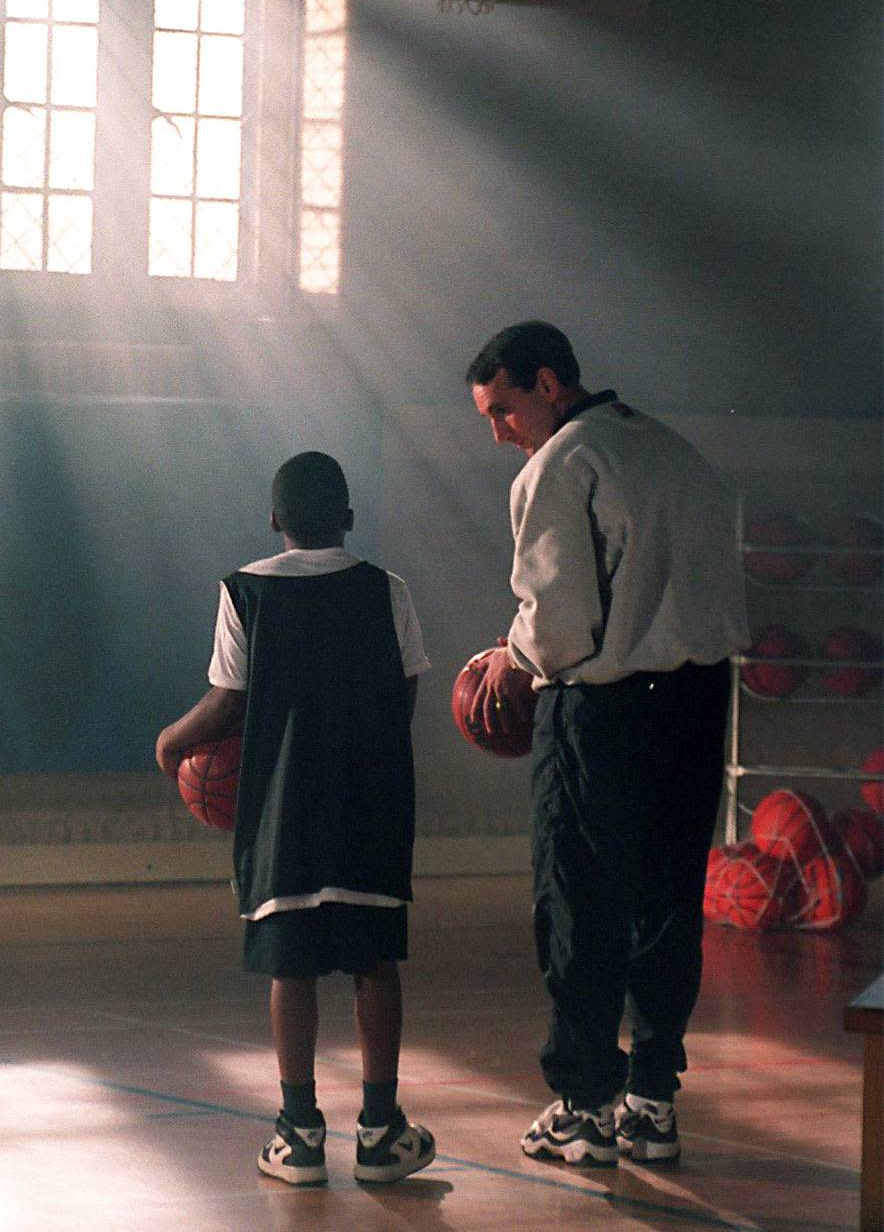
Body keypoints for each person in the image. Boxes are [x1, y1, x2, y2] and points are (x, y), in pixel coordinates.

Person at [465, 321, 747, 1167]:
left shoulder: (557, 464)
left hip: (602, 710)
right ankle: (652, 1100)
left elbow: (559, 623)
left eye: (503, 408)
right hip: (699, 697)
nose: (498, 431)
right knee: (667, 899)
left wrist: (507, 662)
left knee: (578, 901)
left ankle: (583, 1104)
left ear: (549, 383)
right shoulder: (674, 450)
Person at [155, 450, 435, 1188]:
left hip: (283, 808)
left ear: (274, 520)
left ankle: (299, 1134)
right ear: (347, 518)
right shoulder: (387, 588)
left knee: (292, 963)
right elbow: (405, 696)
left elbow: (229, 701)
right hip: (370, 803)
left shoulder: (243, 589)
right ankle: (379, 1132)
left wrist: (172, 740)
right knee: (375, 960)